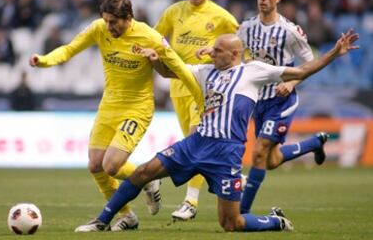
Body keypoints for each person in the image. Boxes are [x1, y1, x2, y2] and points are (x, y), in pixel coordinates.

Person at [77, 30, 359, 233]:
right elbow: (169, 72)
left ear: (234, 54)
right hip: (196, 142)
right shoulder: (203, 71)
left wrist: (335, 52)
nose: (211, 53)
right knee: (142, 173)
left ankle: (276, 221)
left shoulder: (254, 71)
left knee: (231, 224)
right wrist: (155, 60)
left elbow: (300, 71)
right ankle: (102, 220)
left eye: (217, 50)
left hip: (227, 153)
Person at [29, 0, 203, 232]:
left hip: (137, 108)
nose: (108, 27)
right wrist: (44, 60)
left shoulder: (150, 37)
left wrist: (201, 101)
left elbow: (181, 70)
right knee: (94, 166)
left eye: (114, 22)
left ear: (128, 18)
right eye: (106, 20)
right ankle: (128, 216)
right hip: (109, 106)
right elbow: (70, 49)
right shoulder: (99, 28)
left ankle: (147, 178)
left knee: (111, 166)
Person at [236, 0, 329, 214]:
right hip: (259, 100)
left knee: (258, 154)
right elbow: (236, 55)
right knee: (271, 160)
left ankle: (243, 214)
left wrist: (292, 82)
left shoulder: (290, 31)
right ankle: (314, 142)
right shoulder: (246, 28)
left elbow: (310, 63)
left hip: (282, 99)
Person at [154, 0, 239, 221]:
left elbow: (238, 48)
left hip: (206, 87)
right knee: (192, 147)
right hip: (178, 87)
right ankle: (156, 177)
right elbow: (155, 39)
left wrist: (214, 51)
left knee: (197, 141)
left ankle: (190, 201)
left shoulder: (221, 16)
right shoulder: (173, 12)